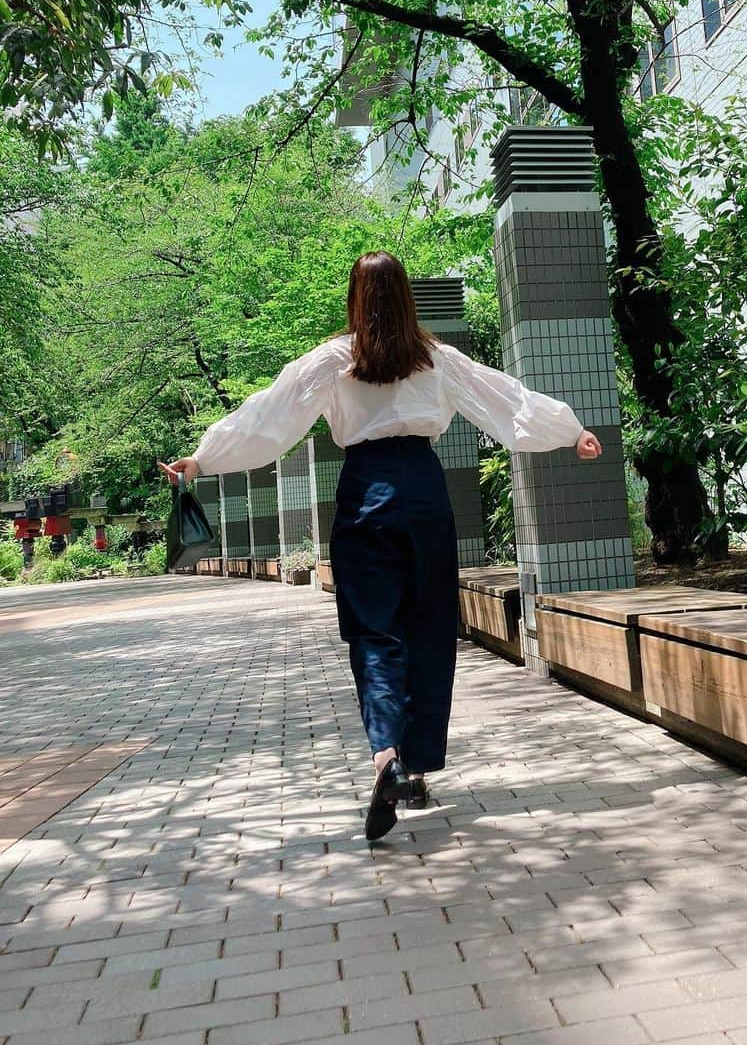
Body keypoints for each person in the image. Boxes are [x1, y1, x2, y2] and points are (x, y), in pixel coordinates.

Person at [159, 251, 601, 841]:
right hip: (423, 492)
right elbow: (505, 399)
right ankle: (413, 769)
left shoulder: (334, 360)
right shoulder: (437, 359)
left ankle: (385, 758)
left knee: (374, 631)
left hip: (365, 493)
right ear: (407, 297)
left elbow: (269, 416)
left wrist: (203, 458)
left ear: (356, 298)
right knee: (429, 626)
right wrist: (570, 430)